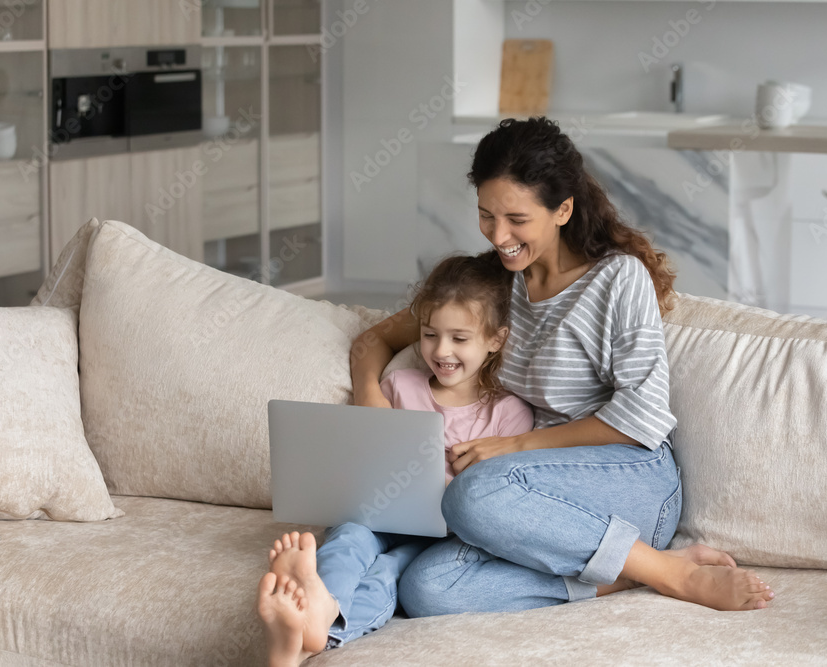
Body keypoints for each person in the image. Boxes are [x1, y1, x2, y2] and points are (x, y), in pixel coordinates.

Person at [356, 117, 777, 617]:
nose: (499, 235)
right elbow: (374, 340)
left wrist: (513, 446)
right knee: (427, 589)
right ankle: (626, 576)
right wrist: (375, 416)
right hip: (530, 501)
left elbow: (640, 418)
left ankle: (675, 574)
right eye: (486, 215)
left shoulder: (619, 279)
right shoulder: (493, 286)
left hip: (629, 480)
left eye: (516, 219)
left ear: (563, 210)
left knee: (473, 493)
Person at [255, 254, 535, 666]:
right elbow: (363, 453)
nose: (441, 351)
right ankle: (322, 606)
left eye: (459, 338)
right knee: (348, 539)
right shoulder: (399, 385)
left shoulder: (508, 414)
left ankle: (300, 644)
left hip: (442, 534)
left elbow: (503, 493)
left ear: (495, 339)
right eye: (429, 335)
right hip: (380, 512)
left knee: (391, 574)